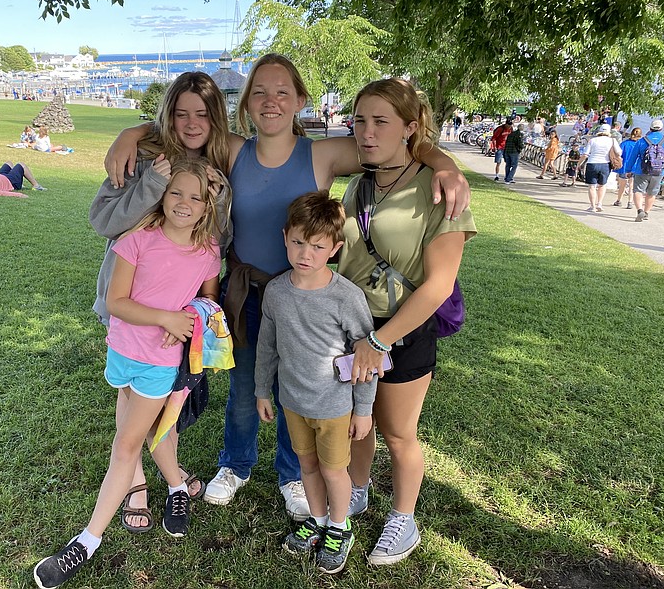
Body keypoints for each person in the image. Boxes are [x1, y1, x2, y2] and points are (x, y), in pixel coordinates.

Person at [104, 53, 471, 522]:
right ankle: (234, 465)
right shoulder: (233, 149)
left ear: (301, 99)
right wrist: (130, 133)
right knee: (243, 385)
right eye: (259, 91)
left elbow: (391, 143)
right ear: (246, 104)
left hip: (303, 297)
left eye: (282, 92)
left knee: (294, 388)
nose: (271, 101)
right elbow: (181, 133)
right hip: (244, 291)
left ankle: (291, 473)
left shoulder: (323, 153)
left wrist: (443, 162)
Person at [33, 159, 224, 589]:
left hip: (161, 360)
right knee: (152, 436)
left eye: (196, 196)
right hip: (121, 352)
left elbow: (210, 299)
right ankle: (177, 488)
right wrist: (166, 317)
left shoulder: (209, 250)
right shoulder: (137, 240)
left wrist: (187, 318)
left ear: (207, 203)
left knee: (127, 445)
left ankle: (86, 541)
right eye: (176, 192)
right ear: (162, 193)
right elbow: (117, 301)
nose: (184, 203)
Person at [337, 78, 476, 566]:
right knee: (359, 423)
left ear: (409, 128)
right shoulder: (361, 184)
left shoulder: (438, 189)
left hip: (400, 329)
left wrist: (379, 340)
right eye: (359, 121)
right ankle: (358, 489)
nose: (366, 133)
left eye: (380, 122)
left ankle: (404, 519)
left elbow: (438, 286)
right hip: (352, 326)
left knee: (397, 431)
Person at [89, 71, 233, 531]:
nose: (191, 123)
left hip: (179, 316)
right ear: (166, 113)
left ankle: (167, 474)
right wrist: (150, 175)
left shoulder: (218, 171)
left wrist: (215, 195)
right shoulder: (139, 156)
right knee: (129, 400)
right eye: (180, 112)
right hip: (129, 301)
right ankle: (135, 484)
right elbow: (103, 220)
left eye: (203, 113)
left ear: (216, 118)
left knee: (164, 399)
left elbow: (217, 244)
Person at [255, 191, 376, 574]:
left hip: (335, 407)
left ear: (335, 248)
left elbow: (367, 360)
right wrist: (262, 389)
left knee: (333, 470)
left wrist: (364, 409)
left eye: (318, 246)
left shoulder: (347, 298)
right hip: (293, 402)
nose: (305, 254)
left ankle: (341, 528)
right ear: (285, 236)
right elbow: (267, 346)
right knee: (307, 466)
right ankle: (318, 520)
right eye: (297, 242)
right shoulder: (275, 292)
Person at [634, 119, 664, 222]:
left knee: (638, 190)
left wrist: (628, 169)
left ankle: (639, 210)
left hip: (641, 170)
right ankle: (646, 212)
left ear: (650, 128)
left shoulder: (642, 141)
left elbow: (633, 156)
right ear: (661, 129)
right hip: (659, 171)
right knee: (652, 192)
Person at [583, 123, 621, 212]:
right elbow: (619, 152)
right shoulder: (612, 141)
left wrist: (579, 164)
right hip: (605, 164)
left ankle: (592, 206)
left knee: (592, 186)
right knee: (602, 185)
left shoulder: (593, 140)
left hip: (592, 163)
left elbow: (586, 153)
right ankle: (599, 203)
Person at [613, 128, 642, 208]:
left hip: (625, 167)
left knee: (622, 184)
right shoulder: (640, 144)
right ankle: (630, 202)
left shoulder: (625, 143)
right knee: (632, 185)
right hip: (636, 167)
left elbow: (619, 154)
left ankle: (619, 200)